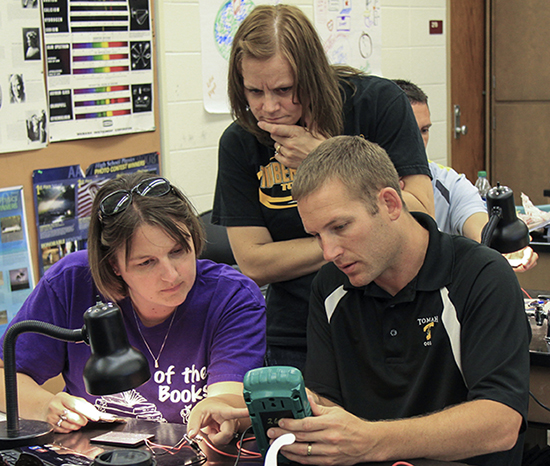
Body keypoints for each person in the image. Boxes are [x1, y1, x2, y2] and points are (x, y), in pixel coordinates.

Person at [264, 136, 530, 466]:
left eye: (340, 226)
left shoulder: (482, 276)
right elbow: (328, 402)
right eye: (316, 235)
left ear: (390, 203)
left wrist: (371, 441)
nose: (328, 252)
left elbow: (501, 423)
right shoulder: (332, 286)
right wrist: (274, 412)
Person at [211, 4, 434, 371]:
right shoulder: (239, 142)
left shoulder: (376, 103)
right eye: (254, 91)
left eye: (284, 89)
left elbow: (420, 212)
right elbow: (253, 261)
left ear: (312, 76)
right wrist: (348, 239)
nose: (269, 107)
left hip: (393, 315)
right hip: (298, 333)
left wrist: (323, 156)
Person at [0, 173, 266, 445]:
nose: (171, 275)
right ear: (113, 265)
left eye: (178, 251)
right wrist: (46, 407)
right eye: (147, 262)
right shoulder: (71, 282)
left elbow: (229, 399)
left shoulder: (231, 296)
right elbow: (4, 375)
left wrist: (220, 413)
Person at [394, 78, 537, 272]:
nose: (419, 142)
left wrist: (503, 250)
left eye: (425, 130)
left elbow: (478, 227)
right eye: (409, 131)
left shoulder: (449, 183)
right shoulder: (361, 188)